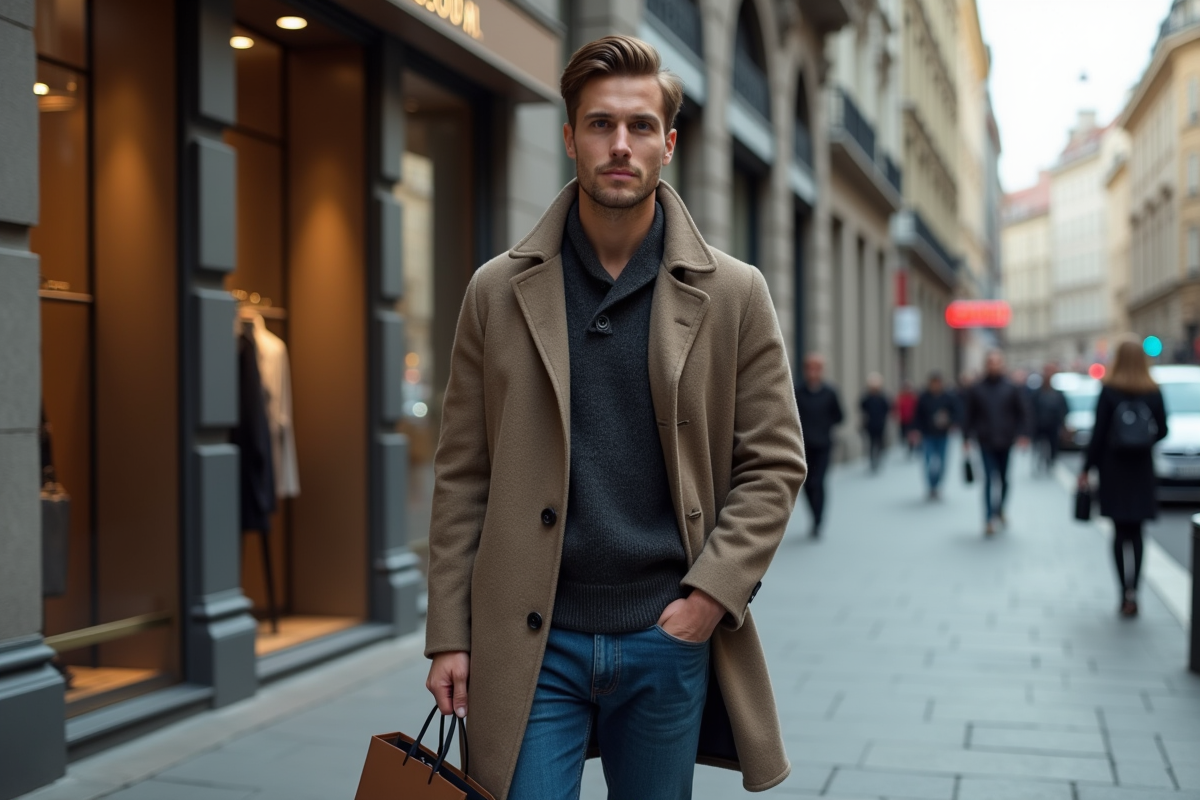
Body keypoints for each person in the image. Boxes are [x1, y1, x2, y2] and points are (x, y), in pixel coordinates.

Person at [424, 36, 807, 800]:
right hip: (531, 641)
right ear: (569, 138)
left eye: (639, 126)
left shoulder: (735, 293)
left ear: (669, 143)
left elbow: (773, 463)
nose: (619, 145)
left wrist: (707, 599)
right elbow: (463, 473)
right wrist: (450, 635)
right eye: (600, 125)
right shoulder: (496, 291)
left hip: (664, 639)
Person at [1078, 337, 1167, 618]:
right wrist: (1143, 441)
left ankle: (1122, 593)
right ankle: (1135, 590)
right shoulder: (1153, 391)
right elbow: (1164, 429)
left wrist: (1087, 468)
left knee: (1119, 532)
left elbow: (1098, 433)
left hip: (1113, 467)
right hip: (1140, 468)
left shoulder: (1109, 390)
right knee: (1138, 531)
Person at [963, 350, 1029, 536]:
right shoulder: (977, 389)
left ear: (1002, 364)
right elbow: (969, 415)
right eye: (991, 362)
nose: (994, 365)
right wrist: (966, 438)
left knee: (1004, 479)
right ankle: (988, 518)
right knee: (988, 480)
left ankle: (1000, 509)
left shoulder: (1011, 388)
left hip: (1006, 440)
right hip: (985, 441)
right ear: (986, 364)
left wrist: (1023, 434)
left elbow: (1022, 412)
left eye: (997, 362)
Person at [796, 353, 844, 537]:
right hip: (804, 446)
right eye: (810, 368)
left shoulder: (830, 392)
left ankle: (819, 519)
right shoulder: (797, 392)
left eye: (817, 368)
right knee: (807, 484)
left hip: (823, 445)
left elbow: (840, 416)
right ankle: (813, 516)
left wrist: (825, 426)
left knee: (819, 482)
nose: (813, 372)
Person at [913, 371, 957, 499]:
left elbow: (956, 412)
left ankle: (938, 485)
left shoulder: (948, 397)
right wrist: (916, 430)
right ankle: (931, 486)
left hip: (943, 434)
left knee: (942, 462)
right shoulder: (923, 397)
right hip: (928, 434)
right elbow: (918, 415)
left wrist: (949, 420)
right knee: (928, 461)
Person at [1033, 363, 1069, 473]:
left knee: (1053, 444)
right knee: (1039, 445)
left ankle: (1051, 461)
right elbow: (1031, 409)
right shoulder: (1037, 393)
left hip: (1053, 424)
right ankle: (1041, 460)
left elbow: (1064, 409)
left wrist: (1063, 425)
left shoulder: (1058, 393)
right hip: (1040, 424)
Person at [860, 373, 891, 472]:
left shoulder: (882, 397)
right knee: (871, 443)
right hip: (870, 424)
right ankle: (872, 460)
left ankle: (878, 458)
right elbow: (862, 406)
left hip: (880, 424)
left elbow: (887, 408)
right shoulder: (867, 397)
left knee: (879, 442)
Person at [896, 381, 918, 456]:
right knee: (905, 434)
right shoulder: (900, 398)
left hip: (912, 419)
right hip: (903, 420)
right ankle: (910, 446)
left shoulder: (913, 397)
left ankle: (912, 447)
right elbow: (897, 408)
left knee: (911, 435)